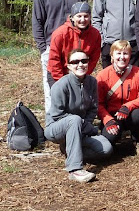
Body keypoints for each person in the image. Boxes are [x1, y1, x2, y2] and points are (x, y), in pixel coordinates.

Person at [44, 49, 113, 183]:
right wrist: (84, 125)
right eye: (75, 62)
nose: (80, 64)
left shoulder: (92, 82)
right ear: (68, 65)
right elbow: (57, 115)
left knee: (106, 148)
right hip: (56, 128)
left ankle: (70, 149)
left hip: (79, 128)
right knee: (74, 120)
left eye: (84, 61)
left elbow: (93, 109)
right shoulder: (60, 85)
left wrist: (85, 125)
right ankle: (74, 169)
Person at [32, 0, 87, 113]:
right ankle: (53, 120)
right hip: (52, 48)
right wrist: (43, 49)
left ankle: (75, 119)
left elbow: (84, 20)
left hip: (75, 49)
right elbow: (37, 23)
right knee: (52, 87)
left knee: (76, 85)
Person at [96, 40, 139, 155]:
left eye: (125, 54)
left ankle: (138, 141)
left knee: (138, 116)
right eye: (118, 53)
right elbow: (98, 104)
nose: (122, 57)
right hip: (113, 115)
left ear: (130, 56)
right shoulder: (102, 75)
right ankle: (114, 142)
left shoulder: (138, 73)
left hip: (131, 112)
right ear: (112, 56)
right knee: (109, 138)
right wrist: (107, 120)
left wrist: (127, 106)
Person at [47, 2, 101, 86]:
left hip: (81, 73)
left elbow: (93, 59)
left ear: (90, 17)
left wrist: (82, 74)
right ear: (72, 17)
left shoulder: (95, 34)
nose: (83, 20)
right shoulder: (60, 34)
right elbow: (54, 60)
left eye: (86, 16)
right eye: (79, 16)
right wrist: (62, 82)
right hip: (58, 74)